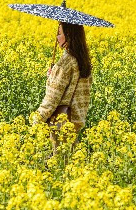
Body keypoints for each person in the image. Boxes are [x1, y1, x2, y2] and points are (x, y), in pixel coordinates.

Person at [34, 21, 93, 156]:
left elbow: (53, 98)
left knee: (59, 164)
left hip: (61, 122)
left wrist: (37, 119)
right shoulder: (83, 60)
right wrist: (53, 74)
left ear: (69, 35)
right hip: (75, 121)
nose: (57, 37)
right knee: (71, 164)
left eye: (59, 33)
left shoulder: (66, 62)